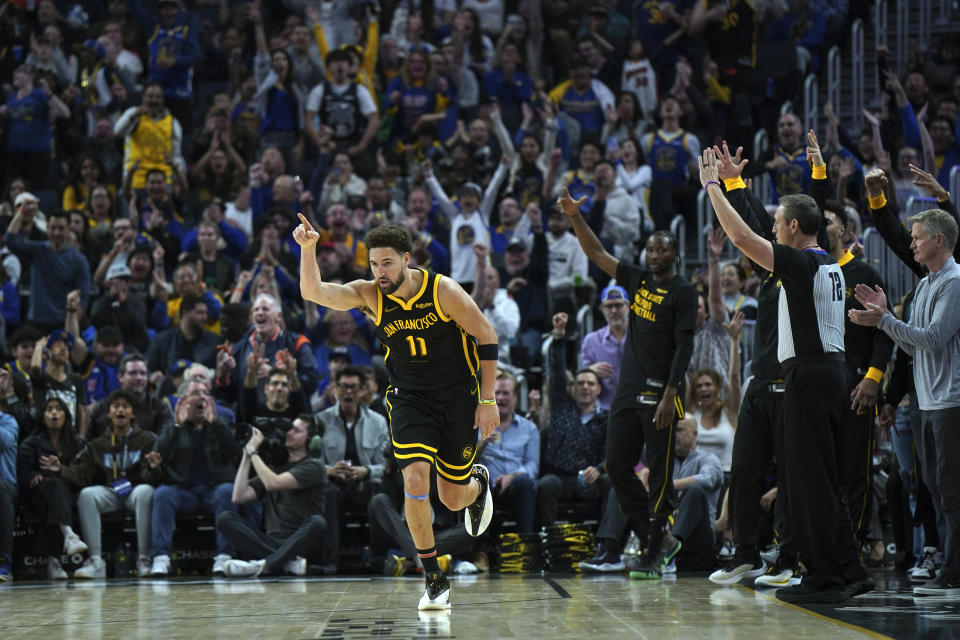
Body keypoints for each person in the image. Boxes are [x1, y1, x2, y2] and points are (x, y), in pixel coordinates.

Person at [295, 219, 500, 611]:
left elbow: (486, 335)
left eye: (387, 263)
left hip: (458, 396)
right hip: (410, 399)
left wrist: (487, 400)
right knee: (415, 478)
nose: (380, 272)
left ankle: (477, 487)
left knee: (453, 498)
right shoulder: (370, 295)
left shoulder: (443, 291)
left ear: (407, 259)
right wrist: (308, 249)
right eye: (374, 264)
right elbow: (314, 291)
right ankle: (433, 576)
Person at [699, 145, 872, 603]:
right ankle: (851, 570)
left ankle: (824, 579)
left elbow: (741, 238)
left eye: (778, 224)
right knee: (827, 482)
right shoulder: (829, 263)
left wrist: (713, 189)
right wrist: (736, 187)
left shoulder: (800, 263)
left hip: (810, 378)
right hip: (832, 373)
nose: (773, 229)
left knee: (808, 484)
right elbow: (763, 226)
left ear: (794, 228)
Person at [559, 188, 697, 581]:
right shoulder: (637, 280)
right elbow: (597, 254)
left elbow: (686, 345)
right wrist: (574, 217)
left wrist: (671, 394)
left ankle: (653, 551)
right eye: (650, 251)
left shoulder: (683, 291)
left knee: (659, 475)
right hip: (626, 392)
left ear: (674, 255)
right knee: (617, 468)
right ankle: (659, 538)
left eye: (661, 251)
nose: (653, 256)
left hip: (661, 394)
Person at [849, 206, 960, 598]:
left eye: (917, 237)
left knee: (949, 486)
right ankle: (950, 565)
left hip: (951, 399)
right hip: (926, 401)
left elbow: (931, 338)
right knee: (932, 483)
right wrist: (881, 319)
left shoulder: (954, 281)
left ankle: (954, 570)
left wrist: (883, 321)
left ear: (939, 240)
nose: (911, 242)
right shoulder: (928, 283)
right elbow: (911, 344)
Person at [822, 202, 894, 554]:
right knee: (820, 471)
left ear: (846, 233)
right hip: (818, 388)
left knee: (854, 472)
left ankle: (853, 546)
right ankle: (821, 546)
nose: (820, 225)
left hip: (856, 387)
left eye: (827, 221)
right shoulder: (809, 271)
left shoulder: (864, 272)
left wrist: (873, 377)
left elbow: (885, 331)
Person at [44, 389, 160, 579]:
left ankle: (144, 559)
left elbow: (152, 477)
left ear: (133, 413)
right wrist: (61, 469)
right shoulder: (97, 444)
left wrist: (154, 468)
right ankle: (96, 561)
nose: (120, 410)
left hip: (135, 490)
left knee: (146, 491)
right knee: (87, 495)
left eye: (125, 406)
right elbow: (81, 474)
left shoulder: (147, 440)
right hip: (111, 491)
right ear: (109, 413)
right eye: (116, 406)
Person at [146, 384, 242, 577]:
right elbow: (159, 455)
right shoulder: (171, 426)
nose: (202, 398)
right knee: (162, 494)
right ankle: (161, 558)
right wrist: (176, 428)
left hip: (213, 490)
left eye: (206, 394)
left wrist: (216, 425)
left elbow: (236, 454)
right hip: (183, 491)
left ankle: (224, 555)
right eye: (195, 394)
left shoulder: (221, 423)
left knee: (227, 491)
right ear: (183, 401)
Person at [219, 415, 328, 577]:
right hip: (272, 541)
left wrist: (254, 452)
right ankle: (285, 563)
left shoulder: (314, 467)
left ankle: (267, 564)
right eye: (290, 429)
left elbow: (273, 483)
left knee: (318, 523)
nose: (289, 433)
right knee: (225, 519)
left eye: (296, 431)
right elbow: (239, 496)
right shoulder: (275, 467)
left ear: (311, 440)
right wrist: (246, 453)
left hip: (301, 543)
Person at [535, 312, 608, 529]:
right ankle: (545, 541)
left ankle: (607, 546)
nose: (585, 387)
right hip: (560, 478)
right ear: (573, 388)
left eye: (591, 384)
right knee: (546, 484)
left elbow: (612, 452)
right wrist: (558, 338)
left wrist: (600, 469)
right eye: (580, 383)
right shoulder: (562, 407)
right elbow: (557, 373)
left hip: (591, 477)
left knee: (611, 484)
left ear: (599, 390)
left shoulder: (606, 419)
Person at [315, 366, 389, 568]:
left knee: (381, 496)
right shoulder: (321, 421)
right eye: (344, 387)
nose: (348, 392)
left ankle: (378, 558)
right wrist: (329, 470)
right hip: (334, 484)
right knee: (328, 493)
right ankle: (331, 560)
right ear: (335, 389)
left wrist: (365, 472)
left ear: (363, 390)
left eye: (353, 387)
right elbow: (312, 465)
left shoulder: (379, 423)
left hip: (367, 485)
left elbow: (386, 467)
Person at [16, 396, 87, 580]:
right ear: (43, 416)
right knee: (53, 487)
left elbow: (85, 475)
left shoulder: (78, 443)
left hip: (69, 495)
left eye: (58, 409)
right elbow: (22, 476)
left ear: (66, 415)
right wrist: (33, 476)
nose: (54, 413)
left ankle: (53, 561)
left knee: (57, 488)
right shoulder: (31, 443)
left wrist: (61, 469)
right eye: (49, 409)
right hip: (37, 497)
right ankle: (69, 535)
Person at [5, 210, 91, 334]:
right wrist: (22, 211)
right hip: (35, 322)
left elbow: (83, 298)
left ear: (68, 230)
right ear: (47, 228)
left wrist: (70, 329)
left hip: (63, 323)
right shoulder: (37, 250)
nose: (56, 233)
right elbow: (10, 240)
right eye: (53, 228)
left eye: (61, 228)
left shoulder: (78, 260)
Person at [476, 371, 539, 533]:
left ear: (516, 398)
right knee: (478, 482)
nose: (501, 398)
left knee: (524, 483)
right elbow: (465, 463)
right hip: (487, 485)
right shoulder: (477, 425)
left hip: (515, 485)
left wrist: (513, 476)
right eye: (497, 393)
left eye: (506, 393)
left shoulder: (529, 428)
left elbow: (533, 465)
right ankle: (481, 550)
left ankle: (526, 543)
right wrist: (482, 443)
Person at [669, 417, 724, 570]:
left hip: (700, 536)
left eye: (679, 430)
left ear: (694, 433)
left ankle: (671, 547)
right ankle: (610, 550)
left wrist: (670, 485)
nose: (674, 434)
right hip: (666, 528)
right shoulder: (665, 462)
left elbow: (708, 479)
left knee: (694, 490)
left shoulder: (708, 458)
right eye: (671, 430)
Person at [88, 354, 173, 439]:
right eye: (133, 373)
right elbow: (90, 445)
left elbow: (164, 443)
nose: (139, 378)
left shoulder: (160, 407)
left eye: (143, 373)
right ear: (120, 376)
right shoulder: (101, 409)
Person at [580, 285, 629, 410]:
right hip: (606, 410)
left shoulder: (642, 336)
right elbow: (581, 376)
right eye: (609, 306)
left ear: (628, 307)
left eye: (618, 305)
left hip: (639, 408)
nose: (613, 311)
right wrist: (591, 370)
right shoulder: (591, 341)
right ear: (602, 309)